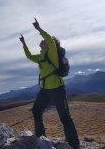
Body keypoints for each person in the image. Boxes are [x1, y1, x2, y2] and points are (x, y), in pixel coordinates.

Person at [19, 18, 80, 149]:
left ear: (48, 44)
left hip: (57, 88)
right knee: (36, 111)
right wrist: (24, 44)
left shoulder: (52, 53)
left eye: (43, 41)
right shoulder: (40, 56)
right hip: (45, 90)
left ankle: (74, 145)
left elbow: (50, 40)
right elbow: (30, 56)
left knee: (65, 118)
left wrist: (39, 29)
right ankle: (41, 140)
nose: (41, 41)